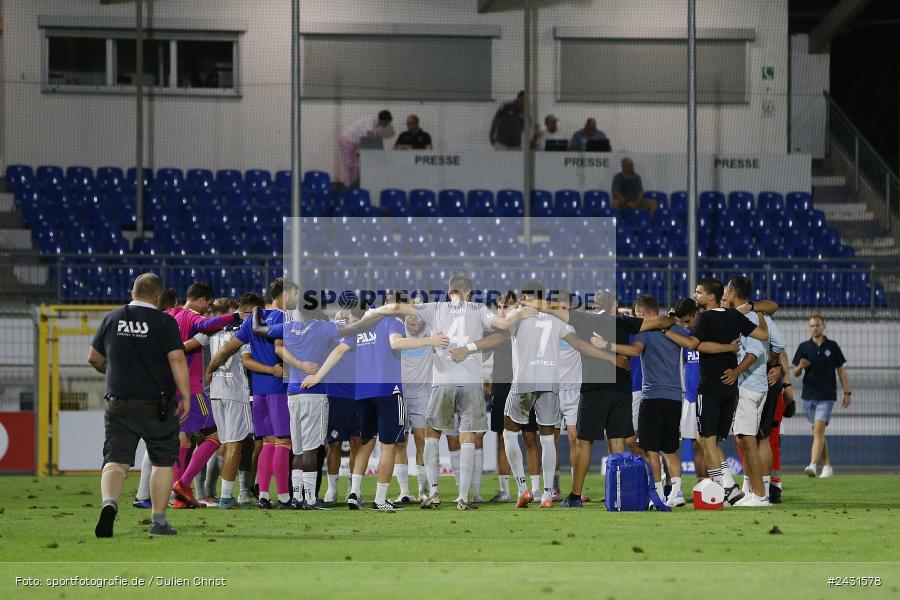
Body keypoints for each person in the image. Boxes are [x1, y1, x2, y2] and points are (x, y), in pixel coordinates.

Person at [383, 275, 519, 510]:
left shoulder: (435, 307)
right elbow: (504, 330)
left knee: (432, 435)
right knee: (468, 437)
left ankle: (433, 493)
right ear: (469, 293)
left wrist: (373, 313)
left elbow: (396, 307)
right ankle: (464, 497)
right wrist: (472, 346)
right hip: (470, 382)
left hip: (442, 381)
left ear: (448, 292)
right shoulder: (479, 309)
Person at [301, 303, 449, 511]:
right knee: (388, 446)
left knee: (366, 443)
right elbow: (395, 343)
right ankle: (380, 499)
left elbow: (339, 350)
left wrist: (317, 375)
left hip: (362, 394)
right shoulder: (392, 321)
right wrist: (429, 340)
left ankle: (354, 492)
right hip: (389, 392)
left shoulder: (360, 326)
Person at [89, 273, 190, 537]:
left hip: (119, 402)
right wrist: (186, 395)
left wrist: (115, 371)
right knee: (162, 462)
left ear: (132, 292)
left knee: (115, 461)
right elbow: (178, 359)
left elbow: (94, 359)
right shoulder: (164, 322)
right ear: (158, 297)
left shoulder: (111, 318)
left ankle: (109, 504)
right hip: (157, 403)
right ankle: (158, 521)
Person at [662, 278, 773, 506]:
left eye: (699, 292)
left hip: (710, 385)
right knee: (714, 440)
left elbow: (693, 344)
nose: (696, 296)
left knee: (706, 440)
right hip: (730, 388)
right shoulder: (735, 316)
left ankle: (723, 487)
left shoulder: (705, 319)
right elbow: (763, 335)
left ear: (711, 297)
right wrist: (757, 312)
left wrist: (667, 331)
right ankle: (728, 486)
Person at [205, 279, 294, 509]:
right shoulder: (283, 318)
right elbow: (281, 349)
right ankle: (284, 497)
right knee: (283, 441)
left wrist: (210, 369)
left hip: (259, 390)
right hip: (278, 386)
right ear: (284, 294)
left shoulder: (252, 321)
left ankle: (263, 494)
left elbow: (227, 349)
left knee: (267, 443)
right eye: (294, 293)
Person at [165, 283, 243, 508]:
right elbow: (207, 325)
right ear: (201, 300)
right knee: (217, 435)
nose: (207, 309)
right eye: (208, 305)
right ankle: (183, 483)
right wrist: (235, 316)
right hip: (191, 388)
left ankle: (178, 498)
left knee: (183, 438)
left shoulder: (170, 315)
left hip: (170, 387)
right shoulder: (190, 316)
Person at [501, 280, 575, 509]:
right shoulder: (555, 318)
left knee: (509, 434)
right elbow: (573, 335)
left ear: (524, 295)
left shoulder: (517, 314)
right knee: (548, 438)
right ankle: (546, 494)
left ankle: (523, 489)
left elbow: (502, 326)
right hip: (550, 382)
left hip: (523, 380)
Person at [721, 276, 783, 507]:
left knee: (748, 441)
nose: (724, 293)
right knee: (748, 440)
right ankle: (753, 492)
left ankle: (759, 495)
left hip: (749, 387)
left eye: (727, 289)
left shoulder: (746, 317)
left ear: (733, 292)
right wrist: (774, 365)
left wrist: (737, 372)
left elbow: (756, 350)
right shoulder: (758, 315)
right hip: (756, 385)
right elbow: (778, 344)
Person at [207, 294, 264, 509]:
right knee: (235, 445)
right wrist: (272, 369)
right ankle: (226, 497)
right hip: (235, 393)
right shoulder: (243, 331)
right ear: (249, 311)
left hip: (216, 392)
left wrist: (210, 371)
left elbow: (189, 344)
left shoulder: (211, 331)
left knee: (227, 443)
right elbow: (246, 361)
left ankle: (225, 493)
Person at [792, 315, 850, 478]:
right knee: (818, 432)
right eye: (812, 326)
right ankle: (828, 466)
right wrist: (800, 367)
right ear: (809, 327)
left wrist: (847, 392)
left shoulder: (833, 346)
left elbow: (841, 370)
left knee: (818, 429)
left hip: (827, 396)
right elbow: (795, 373)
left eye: (817, 325)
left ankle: (812, 465)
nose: (815, 328)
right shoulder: (804, 347)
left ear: (823, 326)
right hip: (808, 396)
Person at [339, 110, 395, 187]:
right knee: (348, 164)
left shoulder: (378, 128)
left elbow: (377, 139)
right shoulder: (371, 120)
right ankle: (346, 186)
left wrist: (382, 151)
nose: (387, 125)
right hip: (347, 140)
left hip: (357, 144)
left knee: (356, 165)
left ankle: (352, 184)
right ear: (382, 120)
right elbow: (369, 136)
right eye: (386, 123)